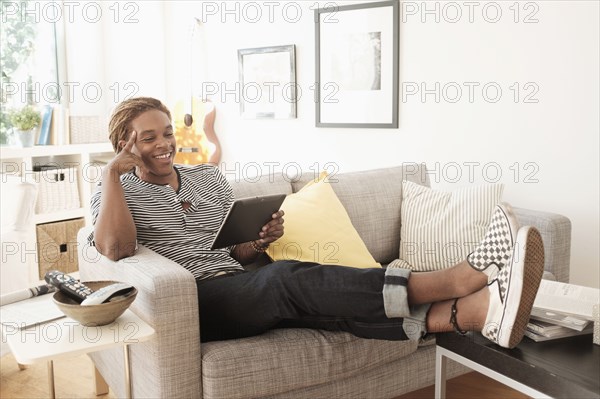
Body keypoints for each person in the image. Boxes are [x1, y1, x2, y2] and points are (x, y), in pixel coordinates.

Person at [91, 97, 545, 349]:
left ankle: (472, 314)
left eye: (167, 132)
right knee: (283, 280)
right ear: (124, 145)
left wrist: (258, 242)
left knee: (315, 300)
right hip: (191, 303)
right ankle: (458, 279)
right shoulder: (115, 191)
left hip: (234, 282)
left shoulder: (206, 178)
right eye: (147, 138)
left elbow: (228, 250)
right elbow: (114, 249)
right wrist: (113, 173)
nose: (163, 144)